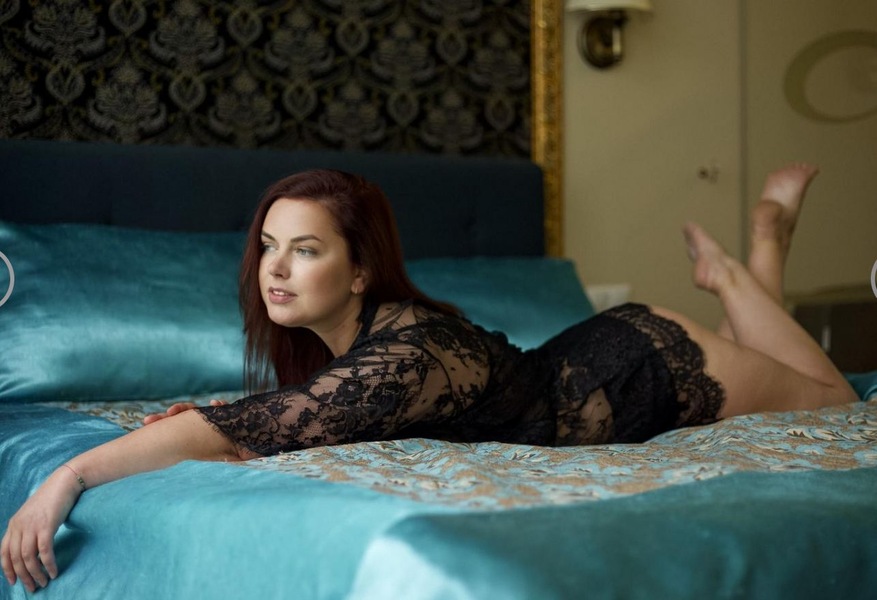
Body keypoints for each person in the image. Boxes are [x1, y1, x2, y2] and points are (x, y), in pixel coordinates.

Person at [1, 164, 858, 592]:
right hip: (586, 357)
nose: (275, 269)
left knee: (834, 403)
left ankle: (739, 266)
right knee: (791, 379)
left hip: (642, 370)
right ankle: (755, 264)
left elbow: (260, 423)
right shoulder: (368, 340)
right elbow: (277, 414)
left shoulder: (404, 357)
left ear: (360, 269)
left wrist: (67, 477)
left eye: (305, 250)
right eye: (268, 246)